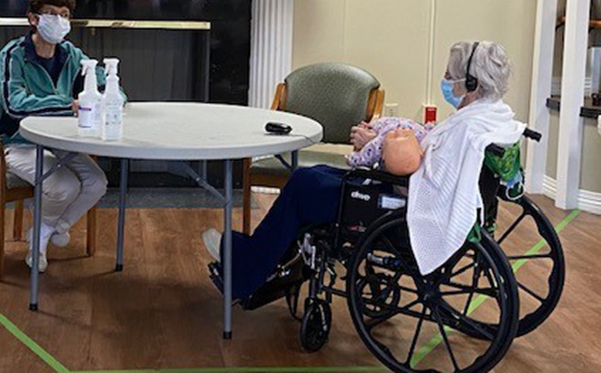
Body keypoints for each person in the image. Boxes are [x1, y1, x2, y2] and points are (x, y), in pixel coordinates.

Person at [203, 40, 524, 300]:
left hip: (395, 204)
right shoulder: (490, 118)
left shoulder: (467, 128)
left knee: (302, 184)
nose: (446, 82)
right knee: (318, 177)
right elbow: (433, 165)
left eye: (449, 75)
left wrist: (378, 143)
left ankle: (245, 269)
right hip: (401, 194)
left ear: (469, 84)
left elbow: (419, 176)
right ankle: (268, 261)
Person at [0, 0, 121, 273]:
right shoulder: (14, 55)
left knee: (98, 183)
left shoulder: (71, 54)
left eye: (64, 14)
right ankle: (40, 243)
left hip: (58, 142)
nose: (59, 21)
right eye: (51, 13)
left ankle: (45, 231)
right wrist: (67, 105)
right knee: (65, 186)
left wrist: (112, 95)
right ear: (33, 18)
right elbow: (15, 105)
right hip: (10, 142)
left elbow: (106, 84)